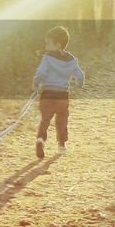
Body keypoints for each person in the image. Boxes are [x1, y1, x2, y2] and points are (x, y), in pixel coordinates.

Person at [32, 25, 85, 158]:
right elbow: (80, 75)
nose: (46, 46)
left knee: (45, 119)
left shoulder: (47, 58)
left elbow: (41, 72)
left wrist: (36, 82)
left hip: (47, 93)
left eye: (48, 43)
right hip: (62, 95)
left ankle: (40, 140)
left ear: (58, 44)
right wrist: (79, 84)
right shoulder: (71, 60)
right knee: (62, 120)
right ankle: (61, 145)